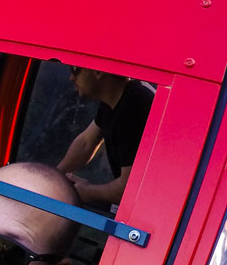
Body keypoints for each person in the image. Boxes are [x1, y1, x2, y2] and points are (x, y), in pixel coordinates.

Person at [56, 66, 154, 208]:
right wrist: (54, 176)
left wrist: (89, 192)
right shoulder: (116, 99)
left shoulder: (135, 108)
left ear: (98, 71)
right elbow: (85, 143)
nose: (71, 78)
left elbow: (129, 189)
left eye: (75, 70)